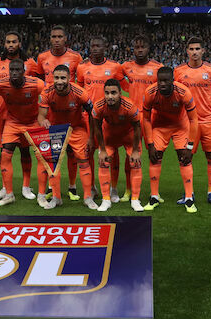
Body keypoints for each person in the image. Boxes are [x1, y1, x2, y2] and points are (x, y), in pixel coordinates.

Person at [174, 37, 211, 206]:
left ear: (203, 50)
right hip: (188, 123)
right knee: (186, 158)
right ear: (187, 51)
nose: (194, 52)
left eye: (197, 49)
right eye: (191, 49)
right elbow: (175, 96)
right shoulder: (179, 71)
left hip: (208, 121)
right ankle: (189, 193)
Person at [37, 65, 98, 210]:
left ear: (69, 79)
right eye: (56, 78)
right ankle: (56, 198)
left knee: (83, 160)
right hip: (56, 129)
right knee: (53, 163)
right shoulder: (46, 92)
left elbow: (93, 114)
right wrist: (43, 121)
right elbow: (41, 115)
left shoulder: (80, 93)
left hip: (76, 128)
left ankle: (88, 197)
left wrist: (90, 137)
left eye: (63, 78)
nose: (59, 81)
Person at [0, 31, 39, 201]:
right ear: (4, 44)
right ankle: (5, 187)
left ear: (20, 43)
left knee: (25, 150)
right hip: (3, 114)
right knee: (4, 151)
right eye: (8, 42)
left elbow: (38, 85)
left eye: (14, 42)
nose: (11, 45)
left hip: (26, 115)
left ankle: (26, 186)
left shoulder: (30, 63)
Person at [142, 67, 198, 213]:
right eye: (160, 81)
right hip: (160, 127)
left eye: (166, 81)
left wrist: (190, 146)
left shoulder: (183, 92)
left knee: (184, 159)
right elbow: (146, 119)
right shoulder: (150, 93)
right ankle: (154, 196)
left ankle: (189, 198)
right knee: (155, 158)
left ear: (173, 81)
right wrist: (150, 143)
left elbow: (193, 120)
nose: (162, 84)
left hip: (180, 126)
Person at [36, 25, 83, 199]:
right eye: (53, 36)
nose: (56, 40)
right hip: (49, 110)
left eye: (60, 36)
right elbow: (40, 80)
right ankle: (51, 186)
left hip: (69, 108)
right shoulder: (42, 57)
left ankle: (72, 187)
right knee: (50, 152)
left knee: (71, 151)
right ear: (50, 38)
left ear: (65, 38)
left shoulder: (76, 57)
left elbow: (80, 81)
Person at [76, 36, 125, 201]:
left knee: (112, 152)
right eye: (92, 45)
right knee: (88, 152)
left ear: (105, 47)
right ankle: (91, 187)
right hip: (88, 117)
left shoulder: (115, 67)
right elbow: (80, 91)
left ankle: (114, 189)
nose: (95, 48)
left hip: (109, 118)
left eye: (98, 45)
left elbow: (122, 89)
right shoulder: (82, 67)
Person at [0, 59, 44, 206]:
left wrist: (44, 118)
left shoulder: (36, 84)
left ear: (24, 71)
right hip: (12, 123)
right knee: (5, 155)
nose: (14, 73)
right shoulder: (1, 84)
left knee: (36, 155)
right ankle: (8, 194)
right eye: (12, 70)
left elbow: (48, 96)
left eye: (18, 70)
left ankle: (29, 189)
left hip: (33, 123)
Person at [120, 35, 162, 202]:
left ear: (148, 48)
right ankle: (128, 191)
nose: (139, 50)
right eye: (136, 47)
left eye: (142, 47)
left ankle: (155, 193)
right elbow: (117, 79)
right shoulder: (126, 66)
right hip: (132, 118)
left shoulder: (158, 67)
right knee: (131, 154)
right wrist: (128, 87)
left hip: (152, 118)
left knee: (155, 154)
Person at [91, 79, 143, 212]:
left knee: (135, 162)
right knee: (103, 161)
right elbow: (97, 127)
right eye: (107, 93)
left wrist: (136, 150)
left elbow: (137, 128)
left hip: (129, 136)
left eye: (113, 93)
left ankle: (135, 200)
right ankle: (106, 199)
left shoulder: (129, 106)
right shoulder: (99, 106)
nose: (110, 96)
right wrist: (102, 149)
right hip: (110, 136)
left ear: (120, 93)